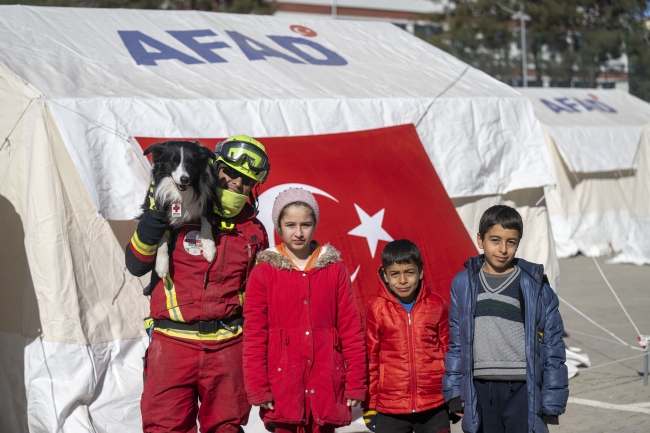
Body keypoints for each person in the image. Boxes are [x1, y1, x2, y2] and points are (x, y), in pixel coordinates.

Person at [125, 135, 271, 433]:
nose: (235, 182)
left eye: (246, 180)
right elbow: (136, 264)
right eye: (229, 172)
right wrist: (154, 218)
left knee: (226, 428)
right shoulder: (179, 211)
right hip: (173, 343)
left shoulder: (254, 231)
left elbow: (260, 299)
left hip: (228, 347)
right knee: (165, 427)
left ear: (253, 187)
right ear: (215, 169)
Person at [242, 187, 367, 433]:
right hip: (283, 385)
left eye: (306, 225)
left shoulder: (335, 270)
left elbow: (352, 330)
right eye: (290, 225)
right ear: (278, 227)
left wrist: (356, 383)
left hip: (327, 382)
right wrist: (257, 386)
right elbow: (254, 334)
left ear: (315, 225)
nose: (298, 233)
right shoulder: (264, 273)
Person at [442, 205, 568, 433]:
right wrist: (454, 392)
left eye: (511, 242)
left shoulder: (536, 287)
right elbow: (456, 344)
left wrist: (552, 401)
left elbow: (553, 347)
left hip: (522, 388)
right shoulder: (463, 284)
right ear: (480, 240)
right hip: (480, 388)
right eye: (495, 240)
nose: (503, 249)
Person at [362, 239, 450, 433]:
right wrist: (369, 405)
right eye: (395, 274)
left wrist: (453, 395)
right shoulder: (376, 308)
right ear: (385, 275)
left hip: (434, 406)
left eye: (409, 272)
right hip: (389, 409)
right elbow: (371, 360)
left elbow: (449, 353)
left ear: (420, 271)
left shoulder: (437, 305)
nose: (402, 280)